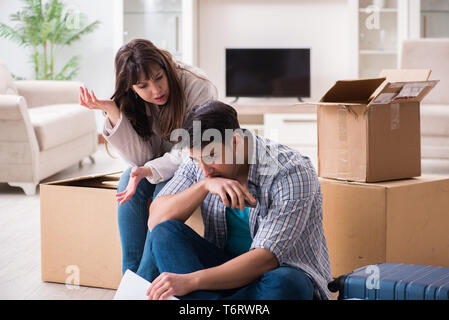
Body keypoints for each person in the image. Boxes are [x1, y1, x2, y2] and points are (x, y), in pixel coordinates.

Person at [136, 100, 332, 300]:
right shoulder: (200, 161)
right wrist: (203, 186)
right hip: (221, 276)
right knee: (164, 232)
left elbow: (265, 259)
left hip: (272, 274)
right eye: (197, 160)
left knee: (289, 284)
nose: (204, 170)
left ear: (236, 141)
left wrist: (192, 281)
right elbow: (156, 220)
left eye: (212, 155)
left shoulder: (291, 171)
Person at [78, 39, 218, 275]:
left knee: (164, 190)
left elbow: (191, 151)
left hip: (195, 161)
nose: (156, 90)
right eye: (143, 86)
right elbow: (141, 157)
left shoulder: (197, 86)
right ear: (131, 88)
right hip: (161, 163)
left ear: (166, 67)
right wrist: (114, 113)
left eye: (159, 77)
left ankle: (140, 285)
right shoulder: (132, 100)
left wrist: (148, 169)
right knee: (127, 183)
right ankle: (130, 278)